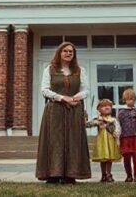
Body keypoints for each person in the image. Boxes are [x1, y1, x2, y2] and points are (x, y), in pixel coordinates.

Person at [35, 42, 91, 184]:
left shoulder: (80, 70)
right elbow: (44, 89)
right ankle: (53, 175)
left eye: (71, 52)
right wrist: (62, 98)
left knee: (73, 141)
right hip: (55, 110)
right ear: (59, 53)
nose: (68, 53)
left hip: (74, 109)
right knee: (54, 141)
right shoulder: (50, 69)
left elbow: (86, 90)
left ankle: (70, 175)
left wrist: (76, 97)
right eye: (65, 51)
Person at [117, 88, 136, 182]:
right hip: (125, 137)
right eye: (128, 99)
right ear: (124, 100)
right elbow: (118, 125)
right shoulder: (121, 112)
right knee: (126, 157)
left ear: (135, 100)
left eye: (132, 99)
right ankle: (128, 175)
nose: (130, 101)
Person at [87, 99, 122, 182]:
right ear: (99, 109)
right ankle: (103, 174)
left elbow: (117, 127)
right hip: (102, 141)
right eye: (103, 106)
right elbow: (89, 124)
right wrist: (86, 120)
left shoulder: (113, 120)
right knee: (103, 158)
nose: (107, 107)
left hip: (110, 141)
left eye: (108, 106)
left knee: (109, 158)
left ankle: (109, 173)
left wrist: (117, 133)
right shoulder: (99, 119)